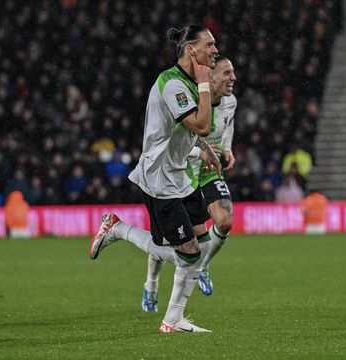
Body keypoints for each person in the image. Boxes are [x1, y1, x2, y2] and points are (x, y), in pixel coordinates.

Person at [88, 25, 221, 333]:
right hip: (159, 177)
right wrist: (203, 85)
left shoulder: (187, 81)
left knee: (201, 242)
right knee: (186, 252)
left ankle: (175, 319)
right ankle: (118, 229)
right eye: (209, 45)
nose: (215, 50)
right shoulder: (173, 83)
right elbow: (201, 124)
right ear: (191, 49)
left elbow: (189, 132)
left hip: (180, 175)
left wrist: (205, 151)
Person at [142, 57, 237, 310]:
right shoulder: (189, 97)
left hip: (207, 170)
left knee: (225, 221)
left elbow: (227, 126)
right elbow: (177, 139)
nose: (233, 78)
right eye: (227, 73)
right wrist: (201, 150)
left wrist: (227, 149)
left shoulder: (230, 102)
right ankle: (151, 283)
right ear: (212, 78)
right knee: (169, 240)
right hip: (181, 169)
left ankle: (203, 267)